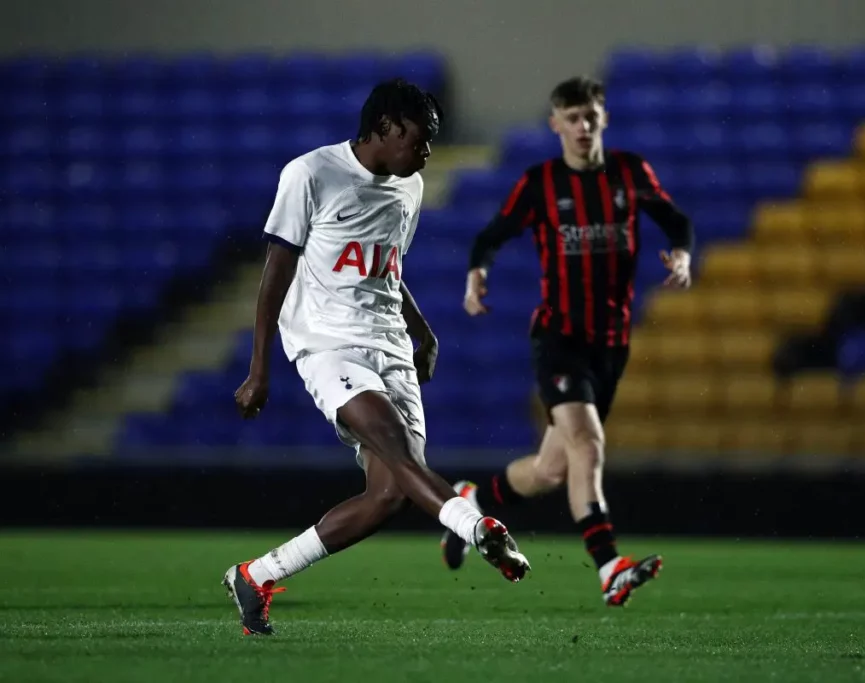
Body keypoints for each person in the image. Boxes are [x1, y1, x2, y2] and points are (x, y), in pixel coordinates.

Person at [223, 78, 531, 636]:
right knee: (397, 449)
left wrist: (423, 331)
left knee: (389, 494)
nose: (428, 150)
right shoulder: (310, 174)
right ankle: (480, 529)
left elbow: (385, 268)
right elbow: (275, 274)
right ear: (385, 128)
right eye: (420, 137)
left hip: (389, 344)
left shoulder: (409, 187)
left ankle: (258, 574)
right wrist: (259, 367)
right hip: (327, 345)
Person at [441, 76, 693, 607]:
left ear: (604, 118)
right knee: (588, 443)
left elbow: (676, 221)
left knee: (551, 470)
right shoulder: (540, 184)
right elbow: (492, 235)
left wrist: (683, 254)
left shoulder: (630, 173)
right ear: (555, 124)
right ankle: (609, 568)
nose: (582, 127)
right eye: (571, 118)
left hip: (611, 344)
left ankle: (468, 502)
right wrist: (477, 273)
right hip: (559, 338)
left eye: (590, 117)